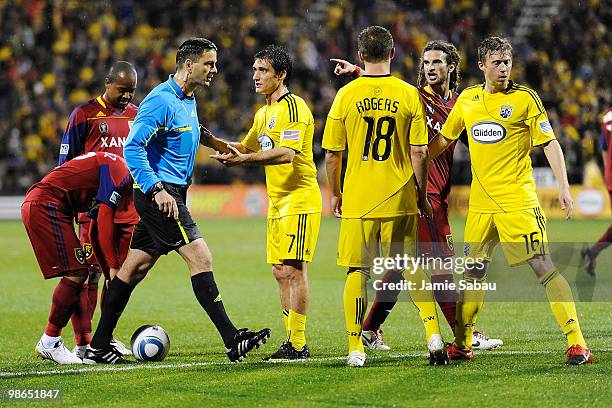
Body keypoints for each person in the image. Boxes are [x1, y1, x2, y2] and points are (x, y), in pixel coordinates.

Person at [83, 38, 271, 364]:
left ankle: (97, 347)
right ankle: (232, 339)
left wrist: (214, 142)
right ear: (188, 65)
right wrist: (156, 190)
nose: (214, 69)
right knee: (201, 256)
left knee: (133, 268)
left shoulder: (187, 97)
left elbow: (187, 128)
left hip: (173, 192)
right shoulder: (159, 100)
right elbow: (133, 148)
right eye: (209, 64)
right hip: (160, 194)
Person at [429, 36, 592, 365]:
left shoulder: (526, 99)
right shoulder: (468, 100)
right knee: (473, 274)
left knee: (542, 266)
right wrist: (413, 161)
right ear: (482, 66)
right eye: (497, 62)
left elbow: (550, 143)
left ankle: (577, 343)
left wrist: (563, 186)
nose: (504, 68)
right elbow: (444, 140)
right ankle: (462, 344)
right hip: (480, 205)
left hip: (517, 200)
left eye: (507, 61)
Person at [331, 41, 502, 351]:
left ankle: (369, 329)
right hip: (421, 195)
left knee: (401, 266)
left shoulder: (459, 106)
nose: (429, 67)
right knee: (440, 267)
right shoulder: (414, 98)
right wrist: (358, 71)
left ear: (451, 67)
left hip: (438, 194)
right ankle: (462, 333)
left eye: (437, 62)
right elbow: (380, 92)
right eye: (425, 62)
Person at [323, 26, 448, 367]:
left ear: (360, 56)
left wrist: (337, 193)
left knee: (357, 273)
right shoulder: (408, 94)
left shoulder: (346, 96)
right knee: (409, 266)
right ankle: (433, 334)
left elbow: (333, 155)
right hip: (400, 196)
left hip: (360, 199)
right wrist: (421, 196)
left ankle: (355, 349)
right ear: (392, 54)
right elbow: (420, 151)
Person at [206, 45, 321, 360]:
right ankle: (291, 342)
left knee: (295, 270)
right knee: (280, 271)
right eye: (254, 69)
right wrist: (207, 139)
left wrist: (244, 161)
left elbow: (286, 154)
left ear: (281, 75)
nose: (255, 76)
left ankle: (298, 344)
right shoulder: (263, 113)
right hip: (277, 202)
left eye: (263, 70)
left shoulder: (294, 108)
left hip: (299, 198)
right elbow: (243, 146)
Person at [58, 61, 138, 358]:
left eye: (131, 91)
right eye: (122, 90)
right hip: (92, 209)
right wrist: (71, 203)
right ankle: (83, 341)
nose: (127, 97)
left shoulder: (135, 114)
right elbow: (66, 167)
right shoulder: (84, 114)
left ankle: (105, 337)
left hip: (127, 210)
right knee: (89, 273)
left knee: (118, 276)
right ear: (107, 83)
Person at [22, 151, 132, 364]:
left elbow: (94, 228)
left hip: (47, 204)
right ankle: (50, 341)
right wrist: (113, 267)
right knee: (76, 273)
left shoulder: (112, 170)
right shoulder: (121, 171)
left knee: (81, 271)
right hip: (47, 204)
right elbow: (105, 217)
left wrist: (106, 267)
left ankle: (70, 343)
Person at [581, 107, 612, 275]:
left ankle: (591, 253)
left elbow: (604, 147)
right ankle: (592, 253)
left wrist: (608, 171)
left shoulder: (607, 116)